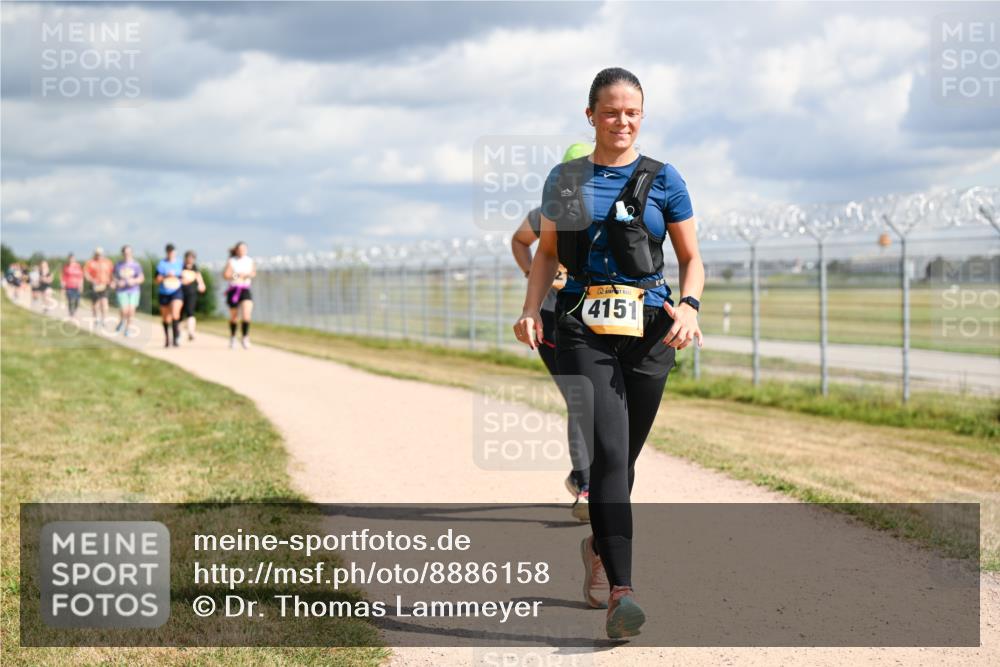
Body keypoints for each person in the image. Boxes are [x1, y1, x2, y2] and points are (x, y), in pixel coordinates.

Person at [514, 67, 704, 639]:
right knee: (609, 452)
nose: (622, 121)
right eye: (611, 111)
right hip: (581, 327)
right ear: (590, 115)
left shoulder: (666, 179)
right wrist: (530, 308)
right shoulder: (566, 179)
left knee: (624, 457)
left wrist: (690, 306)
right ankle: (623, 592)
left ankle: (598, 541)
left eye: (632, 112)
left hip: (650, 331)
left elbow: (692, 257)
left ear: (641, 117)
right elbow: (546, 252)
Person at [512, 145, 595, 522]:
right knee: (581, 396)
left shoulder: (609, 206)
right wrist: (536, 276)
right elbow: (519, 240)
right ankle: (586, 484)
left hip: (596, 316)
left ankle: (595, 478)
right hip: (552, 316)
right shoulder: (549, 211)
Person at [223, 241, 255, 349]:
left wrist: (245, 275)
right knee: (234, 317)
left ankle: (245, 337)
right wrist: (237, 275)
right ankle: (233, 337)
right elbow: (226, 275)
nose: (242, 251)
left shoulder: (249, 261)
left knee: (246, 315)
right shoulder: (232, 261)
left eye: (244, 249)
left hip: (245, 289)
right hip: (234, 289)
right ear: (236, 250)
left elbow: (253, 273)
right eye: (240, 249)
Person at [155, 244, 185, 347]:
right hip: (164, 292)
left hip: (176, 291)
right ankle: (167, 338)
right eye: (169, 252)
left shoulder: (180, 263)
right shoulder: (161, 264)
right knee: (165, 318)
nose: (171, 253)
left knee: (175, 313)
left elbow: (185, 276)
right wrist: (166, 276)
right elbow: (157, 279)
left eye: (172, 251)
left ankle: (176, 337)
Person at [114, 245, 145, 337]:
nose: (127, 254)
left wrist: (134, 281)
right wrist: (118, 282)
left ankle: (128, 329)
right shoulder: (118, 265)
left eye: (129, 252)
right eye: (125, 253)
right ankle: (122, 321)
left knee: (131, 310)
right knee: (124, 310)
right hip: (121, 290)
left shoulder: (136, 265)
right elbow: (113, 277)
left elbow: (141, 277)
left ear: (131, 253)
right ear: (122, 253)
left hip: (133, 290)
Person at [84, 247, 114, 329]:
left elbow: (112, 273)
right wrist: (91, 279)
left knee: (104, 303)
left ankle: (104, 320)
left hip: (105, 285)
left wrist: (112, 282)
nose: (99, 256)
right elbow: (86, 273)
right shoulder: (90, 262)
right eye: (97, 254)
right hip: (95, 286)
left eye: (100, 254)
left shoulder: (108, 262)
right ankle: (96, 319)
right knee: (95, 305)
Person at [180, 251, 206, 341]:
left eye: (192, 258)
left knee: (190, 312)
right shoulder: (180, 267)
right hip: (181, 293)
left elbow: (200, 281)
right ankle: (178, 333)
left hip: (192, 293)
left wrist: (201, 285)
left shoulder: (195, 269)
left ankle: (191, 332)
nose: (190, 259)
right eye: (189, 257)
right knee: (180, 314)